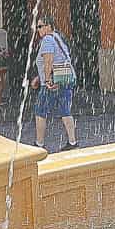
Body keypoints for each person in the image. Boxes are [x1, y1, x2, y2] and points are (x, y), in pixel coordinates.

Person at [32, 16, 79, 151]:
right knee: (65, 110)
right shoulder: (58, 37)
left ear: (49, 26)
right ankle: (72, 142)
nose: (38, 30)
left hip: (52, 82)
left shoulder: (47, 40)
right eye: (38, 27)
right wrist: (38, 77)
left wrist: (46, 80)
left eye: (40, 26)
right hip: (64, 79)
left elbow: (48, 61)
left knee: (40, 111)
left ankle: (39, 144)